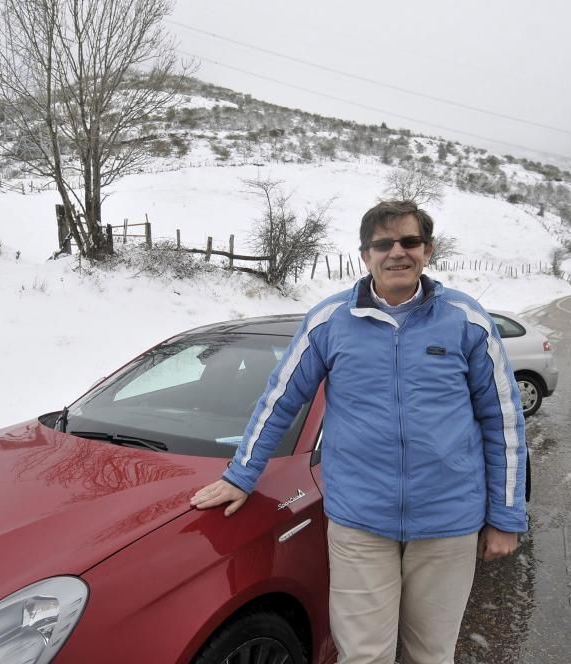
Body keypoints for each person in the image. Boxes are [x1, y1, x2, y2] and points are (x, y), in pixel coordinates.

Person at [190, 199, 527, 664]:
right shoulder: (330, 322)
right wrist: (240, 475)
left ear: (427, 250)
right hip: (360, 522)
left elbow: (504, 420)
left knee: (431, 654)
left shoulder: (465, 320)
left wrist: (506, 516)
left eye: (409, 242)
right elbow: (280, 400)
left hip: (447, 520)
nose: (397, 253)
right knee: (364, 656)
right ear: (365, 256)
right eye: (383, 244)